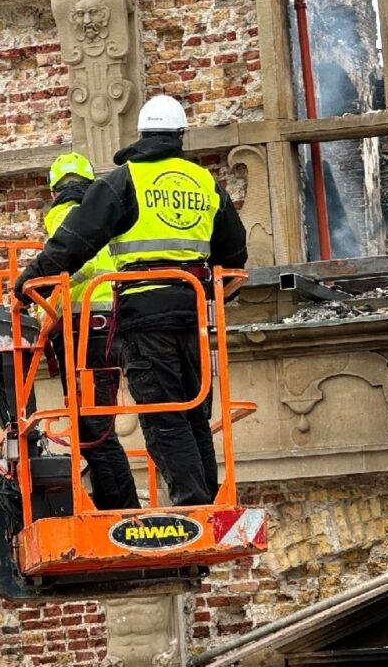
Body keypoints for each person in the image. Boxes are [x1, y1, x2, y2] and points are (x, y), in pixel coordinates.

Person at [15, 97, 248, 507]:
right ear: (180, 136)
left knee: (163, 415)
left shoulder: (126, 180)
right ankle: (207, 500)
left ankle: (193, 504)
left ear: (141, 136)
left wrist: (29, 281)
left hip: (144, 313)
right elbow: (234, 252)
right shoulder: (204, 182)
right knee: (194, 410)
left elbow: (75, 242)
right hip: (194, 311)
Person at [40, 152, 139, 511]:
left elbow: (78, 264)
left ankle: (120, 508)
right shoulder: (106, 215)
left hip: (87, 329)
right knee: (93, 426)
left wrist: (42, 298)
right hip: (103, 325)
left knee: (95, 429)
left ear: (55, 191)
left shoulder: (65, 215)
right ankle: (114, 502)